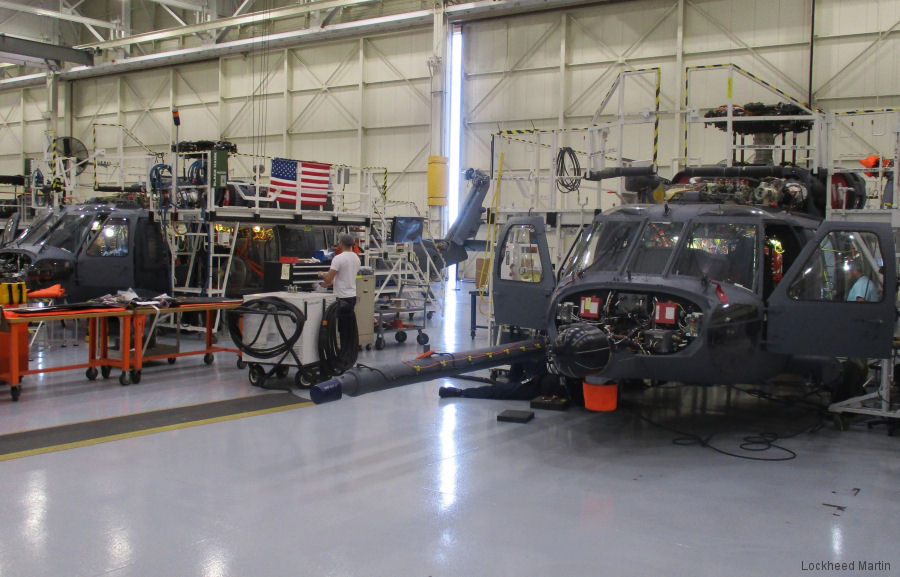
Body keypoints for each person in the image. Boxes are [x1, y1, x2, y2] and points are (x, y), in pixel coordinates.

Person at [317, 233, 361, 309]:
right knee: (350, 319)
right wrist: (331, 282)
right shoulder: (356, 258)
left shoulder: (338, 258)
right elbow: (346, 276)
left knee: (341, 320)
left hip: (341, 297)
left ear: (341, 243)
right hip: (353, 296)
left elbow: (328, 279)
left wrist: (321, 274)